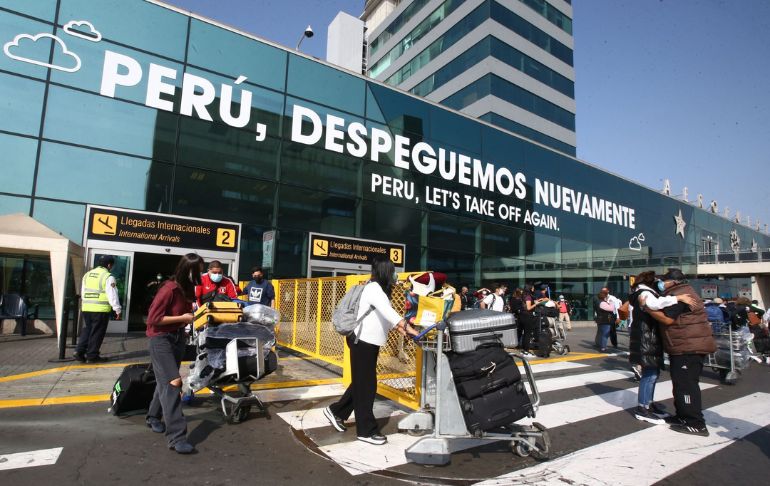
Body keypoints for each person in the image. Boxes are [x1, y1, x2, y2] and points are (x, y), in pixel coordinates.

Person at [324, 256, 418, 445]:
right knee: (367, 386)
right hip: (362, 342)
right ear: (385, 271)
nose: (394, 275)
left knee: (361, 382)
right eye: (391, 271)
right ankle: (365, 431)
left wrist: (402, 329)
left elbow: (383, 318)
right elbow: (390, 314)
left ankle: (336, 411)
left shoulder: (379, 290)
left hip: (368, 342)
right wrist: (409, 328)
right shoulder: (374, 289)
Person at [145, 253, 204, 454]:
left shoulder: (187, 290)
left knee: (164, 380)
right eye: (199, 270)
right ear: (187, 269)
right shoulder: (168, 289)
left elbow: (185, 317)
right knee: (173, 382)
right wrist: (183, 317)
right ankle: (177, 437)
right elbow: (153, 320)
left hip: (178, 338)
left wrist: (190, 318)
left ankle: (153, 416)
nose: (201, 274)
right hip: (161, 340)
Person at [646, 268, 716, 437]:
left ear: (674, 282)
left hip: (688, 347)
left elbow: (667, 319)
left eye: (664, 280)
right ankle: (682, 417)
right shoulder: (680, 293)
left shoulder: (682, 295)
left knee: (686, 385)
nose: (661, 283)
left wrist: (648, 308)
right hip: (684, 345)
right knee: (680, 384)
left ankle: (695, 423)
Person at [628, 271, 693, 424]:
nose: (661, 283)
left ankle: (648, 405)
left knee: (653, 373)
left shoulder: (644, 292)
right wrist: (678, 297)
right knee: (649, 374)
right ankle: (643, 408)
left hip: (648, 338)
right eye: (658, 281)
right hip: (647, 339)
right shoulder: (644, 293)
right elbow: (654, 304)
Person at [74, 255, 121, 363]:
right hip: (100, 309)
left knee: (88, 329)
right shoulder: (108, 276)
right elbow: (112, 294)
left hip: (86, 308)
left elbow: (83, 292)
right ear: (109, 265)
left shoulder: (87, 275)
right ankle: (92, 355)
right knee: (97, 332)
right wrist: (117, 309)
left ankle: (79, 351)